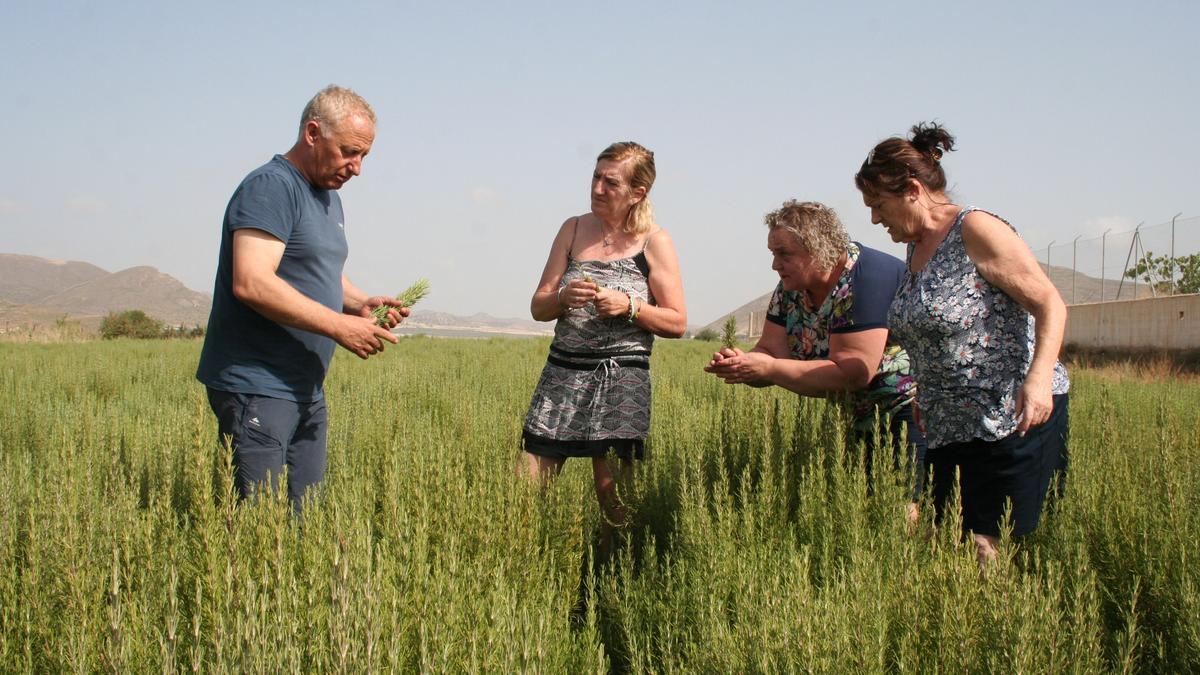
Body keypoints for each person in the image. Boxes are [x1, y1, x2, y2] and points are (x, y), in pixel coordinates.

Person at [855, 122, 1069, 566]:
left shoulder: (976, 228)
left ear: (912, 189)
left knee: (983, 547)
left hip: (1006, 416)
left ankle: (1004, 630)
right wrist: (925, 391)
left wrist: (1039, 380)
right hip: (947, 422)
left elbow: (1050, 303)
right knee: (943, 537)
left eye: (878, 204)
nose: (875, 219)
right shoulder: (916, 248)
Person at [196, 85, 408, 511]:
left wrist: (358, 304)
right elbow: (252, 281)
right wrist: (338, 325)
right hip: (259, 385)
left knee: (304, 519)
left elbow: (318, 269)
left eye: (364, 156)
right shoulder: (271, 188)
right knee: (260, 527)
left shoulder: (328, 198)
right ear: (313, 133)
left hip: (305, 387)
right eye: (349, 152)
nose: (357, 168)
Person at [705, 200, 926, 517]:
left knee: (905, 513)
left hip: (908, 410)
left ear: (819, 249)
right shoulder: (790, 289)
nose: (775, 265)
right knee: (865, 514)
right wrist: (744, 364)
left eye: (785, 254)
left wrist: (768, 367)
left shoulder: (865, 278)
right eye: (773, 253)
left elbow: (853, 373)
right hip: (855, 415)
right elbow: (771, 352)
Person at [521, 141, 687, 545]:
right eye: (595, 177)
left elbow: (677, 321)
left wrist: (629, 306)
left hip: (621, 383)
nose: (597, 188)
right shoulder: (573, 229)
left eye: (610, 182)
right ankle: (520, 569)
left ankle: (608, 586)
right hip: (562, 373)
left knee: (615, 504)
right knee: (524, 494)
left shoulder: (655, 242)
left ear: (637, 192)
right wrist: (561, 298)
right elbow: (538, 306)